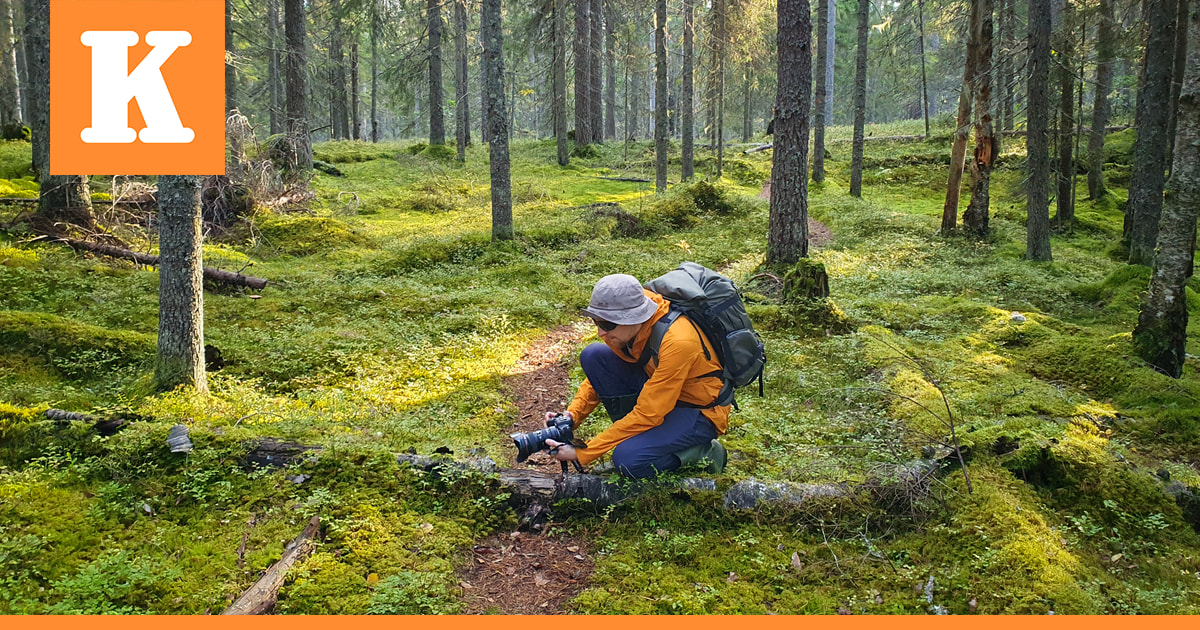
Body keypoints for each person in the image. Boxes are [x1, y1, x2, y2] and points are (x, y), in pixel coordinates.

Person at [544, 273, 728, 479]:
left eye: (606, 325)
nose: (600, 332)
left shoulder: (679, 342)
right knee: (594, 355)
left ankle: (704, 452)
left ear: (633, 317)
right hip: (658, 389)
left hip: (698, 411)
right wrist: (572, 415)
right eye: (596, 321)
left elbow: (649, 412)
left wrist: (585, 452)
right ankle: (642, 438)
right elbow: (599, 379)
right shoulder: (626, 323)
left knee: (628, 459)